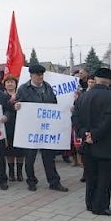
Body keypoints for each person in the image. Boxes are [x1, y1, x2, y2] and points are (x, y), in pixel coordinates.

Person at [73, 68, 111, 216]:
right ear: (110, 80)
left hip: (87, 143)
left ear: (95, 79)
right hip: (105, 143)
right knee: (104, 176)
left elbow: (75, 117)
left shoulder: (83, 96)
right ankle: (101, 206)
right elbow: (110, 119)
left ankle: (90, 203)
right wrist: (94, 135)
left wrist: (84, 133)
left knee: (90, 175)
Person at [15, 64, 68, 192]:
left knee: (49, 157)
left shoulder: (48, 87)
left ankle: (54, 181)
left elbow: (54, 105)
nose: (40, 77)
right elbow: (17, 105)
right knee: (30, 158)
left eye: (41, 75)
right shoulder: (23, 89)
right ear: (31, 75)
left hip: (46, 129)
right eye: (37, 75)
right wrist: (16, 106)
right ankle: (31, 181)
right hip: (31, 130)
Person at [2, 75, 23, 182]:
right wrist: (11, 102)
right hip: (7, 125)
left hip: (20, 125)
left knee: (20, 150)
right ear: (4, 84)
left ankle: (19, 173)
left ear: (16, 84)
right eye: (8, 82)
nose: (10, 84)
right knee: (9, 150)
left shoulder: (21, 95)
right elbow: (2, 108)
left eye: (12, 82)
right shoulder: (2, 96)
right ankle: (11, 173)